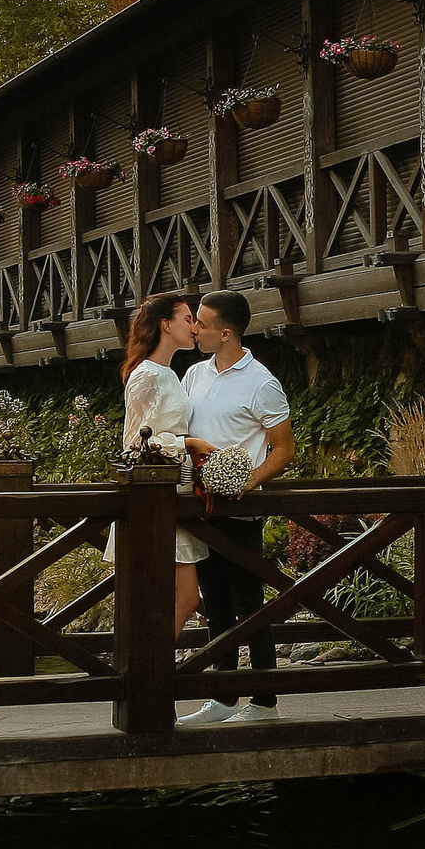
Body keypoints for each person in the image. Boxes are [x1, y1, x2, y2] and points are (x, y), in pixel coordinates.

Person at [177, 289, 295, 726]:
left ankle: (265, 702)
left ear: (225, 333)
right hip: (200, 509)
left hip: (239, 511)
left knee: (251, 605)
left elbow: (284, 449)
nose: (195, 329)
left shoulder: (262, 382)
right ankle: (223, 697)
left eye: (202, 324)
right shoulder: (192, 375)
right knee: (217, 604)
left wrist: (249, 482)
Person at [103, 291, 208, 645]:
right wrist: (188, 444)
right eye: (187, 319)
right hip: (154, 493)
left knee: (180, 597)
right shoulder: (147, 375)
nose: (195, 327)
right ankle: (151, 676)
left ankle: (150, 675)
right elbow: (135, 445)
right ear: (166, 325)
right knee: (181, 597)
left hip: (174, 491)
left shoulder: (168, 373)